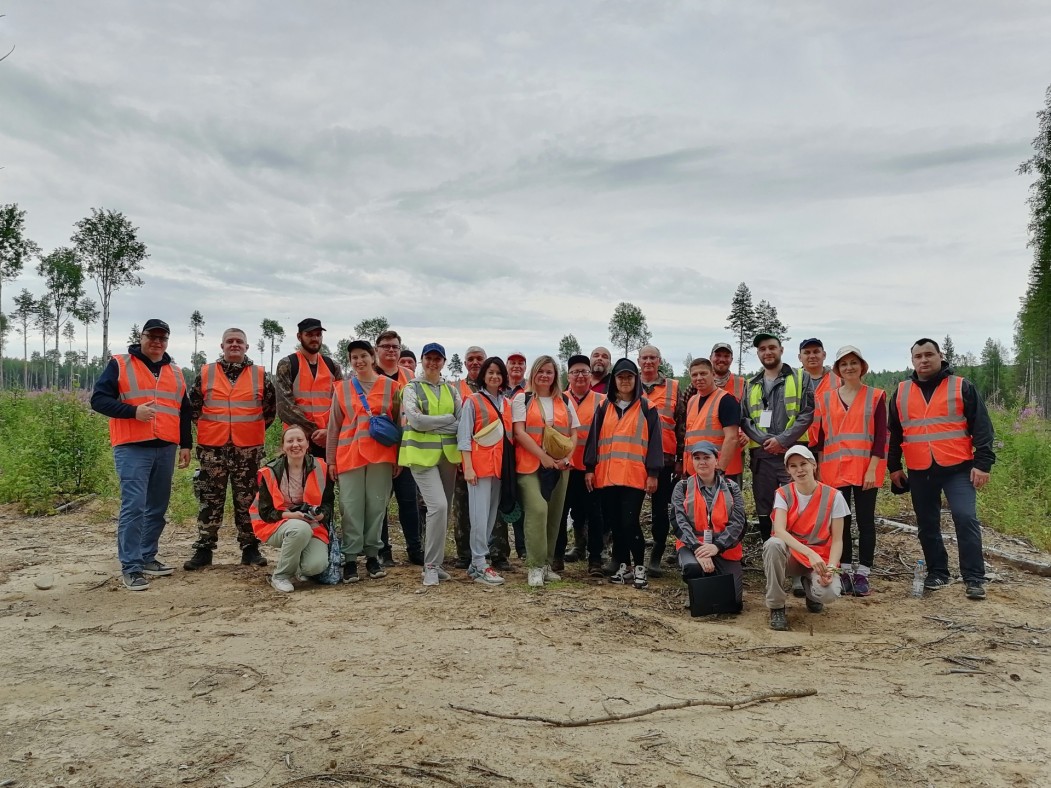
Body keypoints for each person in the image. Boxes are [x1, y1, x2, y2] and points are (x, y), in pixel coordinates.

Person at [889, 338, 996, 601]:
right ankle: (937, 572)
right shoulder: (901, 392)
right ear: (912, 360)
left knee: (965, 518)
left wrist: (982, 464)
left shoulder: (961, 386)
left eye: (929, 355)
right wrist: (893, 467)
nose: (923, 360)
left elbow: (982, 427)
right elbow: (894, 434)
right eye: (918, 356)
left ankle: (973, 577)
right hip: (919, 468)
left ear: (940, 356)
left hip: (958, 467)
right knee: (927, 524)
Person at [90, 319, 192, 591]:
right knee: (134, 507)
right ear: (141, 337)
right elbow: (98, 400)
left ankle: (147, 557)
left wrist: (185, 444)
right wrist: (133, 412)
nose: (157, 342)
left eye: (163, 338)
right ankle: (131, 567)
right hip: (132, 447)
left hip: (166, 447)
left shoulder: (176, 372)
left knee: (157, 507)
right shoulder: (120, 364)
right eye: (152, 337)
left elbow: (184, 410)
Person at [185, 328, 276, 571]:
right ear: (222, 346)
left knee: (248, 500)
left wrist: (246, 431)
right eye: (230, 341)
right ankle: (204, 548)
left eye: (239, 342)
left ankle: (250, 548)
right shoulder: (205, 373)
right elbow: (193, 408)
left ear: (247, 347)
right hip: (212, 450)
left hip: (248, 452)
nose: (234, 345)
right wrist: (215, 429)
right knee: (209, 500)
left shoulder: (260, 376)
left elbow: (270, 411)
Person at [811, 345, 887, 597]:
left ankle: (863, 573)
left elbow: (879, 438)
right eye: (844, 364)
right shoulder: (825, 398)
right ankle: (842, 571)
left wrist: (872, 468)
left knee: (866, 521)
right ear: (838, 370)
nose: (849, 367)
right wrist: (820, 469)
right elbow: (821, 439)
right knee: (839, 523)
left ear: (862, 367)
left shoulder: (876, 396)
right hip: (834, 470)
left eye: (854, 363)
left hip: (866, 469)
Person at [584, 358, 663, 589]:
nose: (625, 381)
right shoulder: (604, 407)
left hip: (634, 475)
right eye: (621, 377)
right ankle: (623, 567)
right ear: (614, 380)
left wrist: (653, 473)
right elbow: (594, 440)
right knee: (615, 523)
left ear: (636, 379)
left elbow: (655, 443)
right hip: (607, 475)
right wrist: (589, 469)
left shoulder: (647, 408)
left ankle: (639, 567)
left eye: (629, 377)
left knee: (630, 522)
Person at [328, 340, 400, 583]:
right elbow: (334, 427)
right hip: (349, 456)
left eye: (363, 356)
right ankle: (350, 559)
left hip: (381, 456)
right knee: (350, 507)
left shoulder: (392, 387)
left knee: (377, 506)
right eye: (354, 358)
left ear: (373, 357)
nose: (359, 362)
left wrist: (399, 457)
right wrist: (330, 461)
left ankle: (372, 555)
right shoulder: (342, 389)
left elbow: (399, 424)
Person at [513, 355, 579, 587]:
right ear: (534, 373)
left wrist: (567, 458)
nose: (544, 375)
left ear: (555, 376)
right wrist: (543, 458)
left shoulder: (566, 401)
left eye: (549, 372)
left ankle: (547, 564)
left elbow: (573, 433)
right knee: (538, 511)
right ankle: (535, 565)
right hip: (530, 465)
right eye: (541, 371)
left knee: (554, 515)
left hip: (560, 467)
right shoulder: (522, 399)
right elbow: (519, 433)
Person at [399, 342, 462, 586]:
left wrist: (435, 421)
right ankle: (431, 566)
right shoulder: (411, 388)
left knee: (443, 512)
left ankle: (436, 563)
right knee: (439, 506)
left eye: (438, 359)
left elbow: (461, 422)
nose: (433, 363)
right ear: (422, 360)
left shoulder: (452, 390)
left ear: (444, 362)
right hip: (421, 457)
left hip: (447, 457)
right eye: (429, 358)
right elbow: (415, 421)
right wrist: (446, 419)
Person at [741, 333, 814, 542]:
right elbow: (745, 419)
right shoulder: (751, 384)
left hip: (793, 454)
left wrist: (782, 440)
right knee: (764, 505)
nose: (767, 352)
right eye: (762, 349)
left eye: (772, 347)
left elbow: (807, 413)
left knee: (796, 502)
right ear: (758, 354)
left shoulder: (801, 377)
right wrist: (766, 441)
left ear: (781, 350)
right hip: (762, 457)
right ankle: (770, 552)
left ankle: (797, 558)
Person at [764, 446, 846, 631]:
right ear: (788, 470)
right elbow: (779, 530)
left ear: (814, 465)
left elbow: (838, 540)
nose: (799, 470)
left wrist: (831, 568)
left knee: (830, 593)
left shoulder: (835, 496)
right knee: (773, 544)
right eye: (793, 466)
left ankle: (812, 591)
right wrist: (809, 553)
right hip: (794, 556)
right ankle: (776, 606)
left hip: (820, 558)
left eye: (803, 464)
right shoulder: (783, 494)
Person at [249, 424, 335, 593]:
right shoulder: (270, 471)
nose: (295, 444)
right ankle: (281, 576)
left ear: (307, 444)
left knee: (315, 567)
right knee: (299, 529)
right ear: (283, 446)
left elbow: (328, 502)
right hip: (275, 523)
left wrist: (321, 515)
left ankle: (298, 567)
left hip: (312, 525)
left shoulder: (321, 467)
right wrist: (291, 515)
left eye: (300, 440)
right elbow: (265, 512)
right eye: (290, 441)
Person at [457, 356, 513, 585]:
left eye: (498, 373)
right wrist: (468, 467)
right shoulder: (472, 401)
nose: (494, 376)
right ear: (483, 376)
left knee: (490, 515)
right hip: (479, 468)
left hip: (499, 467)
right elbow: (464, 437)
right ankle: (480, 562)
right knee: (478, 516)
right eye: (490, 372)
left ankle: (476, 562)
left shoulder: (506, 403)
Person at [672, 441, 746, 611]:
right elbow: (679, 522)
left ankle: (710, 585)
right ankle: (695, 591)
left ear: (716, 460)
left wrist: (717, 546)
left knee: (733, 603)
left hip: (725, 548)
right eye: (697, 458)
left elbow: (739, 522)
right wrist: (698, 548)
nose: (702, 462)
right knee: (693, 568)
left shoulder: (732, 487)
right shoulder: (682, 487)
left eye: (707, 457)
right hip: (692, 545)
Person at [373, 329, 423, 567]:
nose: (391, 350)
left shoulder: (410, 377)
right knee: (380, 502)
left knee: (409, 502)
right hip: (378, 449)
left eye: (394, 346)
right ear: (377, 350)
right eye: (386, 346)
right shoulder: (368, 375)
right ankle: (383, 551)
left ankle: (415, 549)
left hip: (406, 449)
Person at [555, 354, 606, 575]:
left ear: (591, 375)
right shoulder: (559, 400)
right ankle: (557, 557)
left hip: (590, 469)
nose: (580, 376)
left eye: (584, 371)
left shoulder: (602, 401)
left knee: (595, 515)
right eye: (575, 372)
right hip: (565, 468)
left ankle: (595, 560)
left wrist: (593, 467)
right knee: (560, 513)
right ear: (569, 375)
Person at [637, 345, 679, 577]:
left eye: (653, 357)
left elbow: (681, 423)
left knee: (660, 510)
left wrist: (681, 457)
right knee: (631, 508)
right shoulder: (630, 385)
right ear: (639, 360)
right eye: (645, 358)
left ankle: (656, 556)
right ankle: (634, 551)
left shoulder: (673, 387)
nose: (649, 362)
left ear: (659, 360)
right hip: (634, 457)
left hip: (664, 458)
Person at [274, 318, 342, 459]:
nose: (315, 338)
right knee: (297, 480)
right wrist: (315, 432)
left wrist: (328, 432)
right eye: (309, 335)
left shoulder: (333, 366)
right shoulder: (287, 364)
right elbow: (284, 407)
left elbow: (341, 403)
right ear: (299, 337)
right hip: (297, 439)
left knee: (325, 479)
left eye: (318, 334)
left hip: (327, 438)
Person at [451, 345, 488, 568]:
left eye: (479, 359)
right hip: (463, 458)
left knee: (490, 507)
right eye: (471, 359)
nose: (475, 362)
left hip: (488, 459)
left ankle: (496, 553)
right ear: (465, 364)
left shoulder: (494, 387)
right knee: (462, 507)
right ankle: (464, 554)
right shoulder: (455, 388)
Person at [678, 358, 742, 481]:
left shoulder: (726, 400)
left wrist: (720, 469)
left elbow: (732, 438)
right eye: (694, 375)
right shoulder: (692, 401)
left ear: (713, 374)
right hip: (696, 471)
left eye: (703, 373)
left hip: (720, 473)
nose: (699, 378)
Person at [799, 338, 841, 449]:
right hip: (801, 441)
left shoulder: (839, 379)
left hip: (831, 441)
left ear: (824, 354)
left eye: (816, 351)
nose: (812, 356)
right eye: (807, 352)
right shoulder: (793, 381)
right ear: (799, 357)